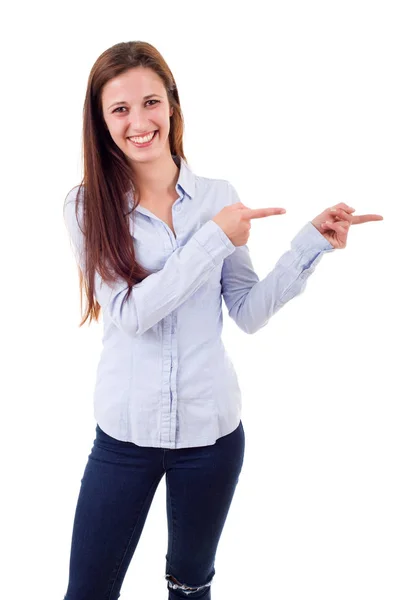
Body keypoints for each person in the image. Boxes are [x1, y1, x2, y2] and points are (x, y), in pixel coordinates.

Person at [62, 40, 383, 600]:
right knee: (88, 590)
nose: (139, 122)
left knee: (190, 586)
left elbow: (248, 313)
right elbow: (130, 314)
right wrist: (213, 239)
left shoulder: (218, 196)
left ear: (172, 106)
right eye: (120, 109)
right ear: (101, 120)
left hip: (212, 436)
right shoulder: (86, 205)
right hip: (124, 438)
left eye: (151, 102)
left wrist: (309, 246)